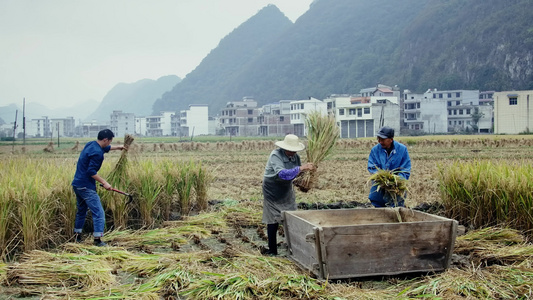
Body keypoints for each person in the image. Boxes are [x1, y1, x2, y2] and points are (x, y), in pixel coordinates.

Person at [261, 134, 314, 256]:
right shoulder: (275, 155)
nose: (292, 152)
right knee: (273, 219)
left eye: (294, 150)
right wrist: (301, 168)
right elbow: (282, 174)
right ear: (285, 148)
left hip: (286, 189)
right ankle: (272, 250)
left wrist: (307, 176)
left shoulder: (296, 157)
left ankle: (295, 248)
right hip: (272, 190)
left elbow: (296, 174)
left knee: (292, 217)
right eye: (290, 150)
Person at [72, 129, 125, 246]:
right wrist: (104, 182)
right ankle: (97, 240)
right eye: (110, 141)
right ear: (106, 140)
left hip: (77, 184)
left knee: (81, 211)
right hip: (86, 187)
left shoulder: (91, 144)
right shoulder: (97, 154)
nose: (110, 143)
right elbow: (91, 171)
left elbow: (105, 148)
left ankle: (77, 237)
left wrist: (117, 147)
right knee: (99, 213)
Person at [367, 126, 411, 207]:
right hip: (379, 186)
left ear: (391, 139)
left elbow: (405, 169)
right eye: (378, 139)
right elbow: (372, 167)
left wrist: (396, 181)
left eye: (382, 139)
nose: (380, 142)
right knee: (378, 208)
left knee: (396, 208)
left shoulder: (402, 150)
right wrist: (381, 178)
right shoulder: (375, 150)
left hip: (396, 188)